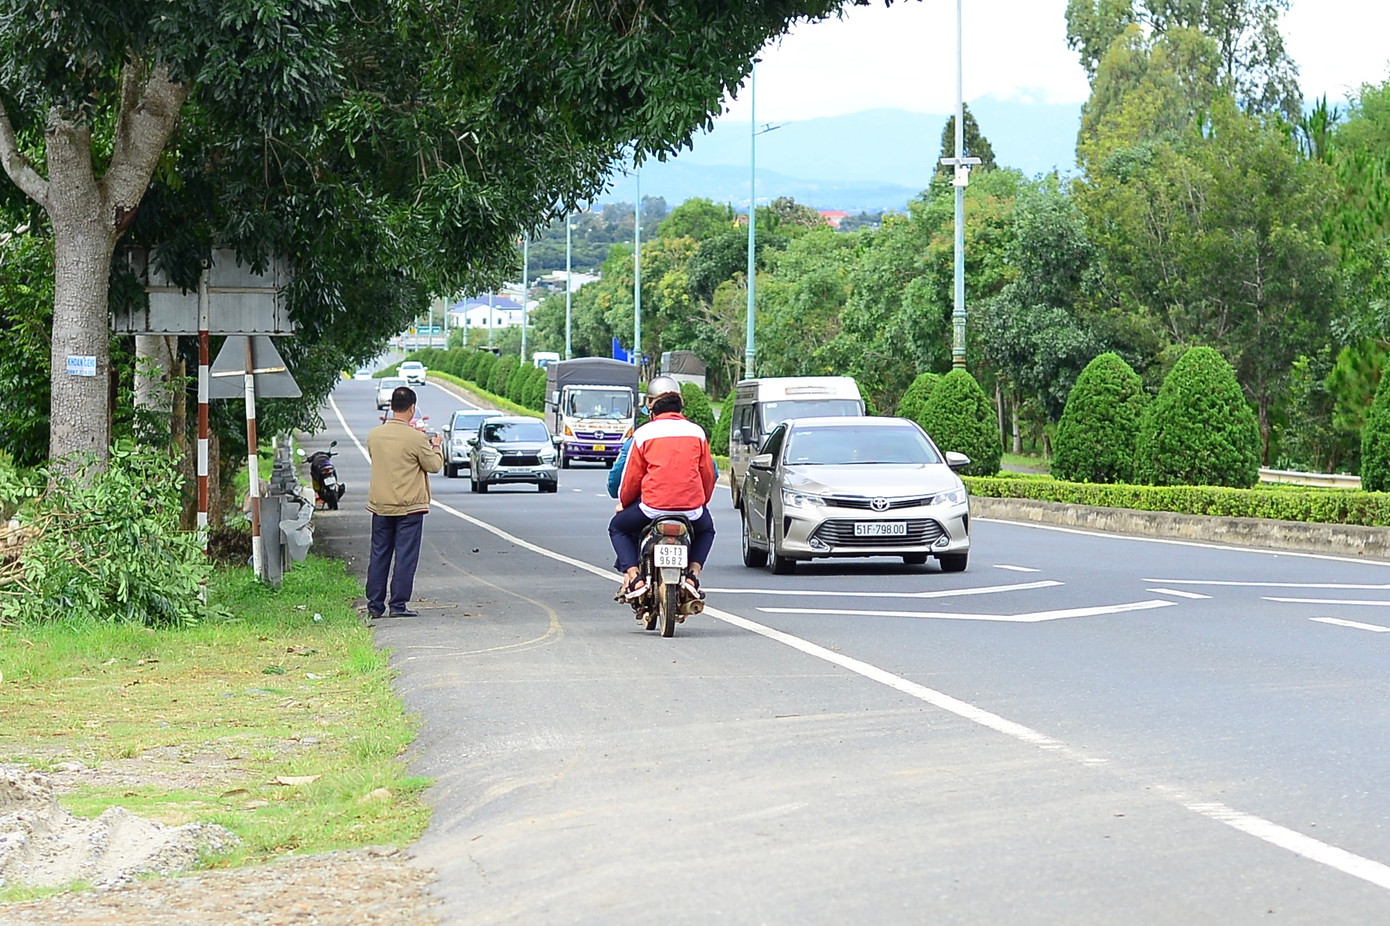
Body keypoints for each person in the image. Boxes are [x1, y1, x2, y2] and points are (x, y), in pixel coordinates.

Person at [609, 376, 716, 600]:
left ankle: (634, 577)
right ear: (680, 404)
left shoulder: (643, 434)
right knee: (707, 529)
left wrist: (624, 504)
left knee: (617, 527)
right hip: (691, 510)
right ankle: (692, 576)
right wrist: (701, 502)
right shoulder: (697, 432)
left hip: (652, 508)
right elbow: (708, 474)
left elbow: (630, 479)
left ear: (652, 408)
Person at [365, 385, 443, 618]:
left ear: (391, 407)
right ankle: (397, 605)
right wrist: (436, 446)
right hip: (410, 507)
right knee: (405, 556)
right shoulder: (416, 438)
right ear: (412, 408)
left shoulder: (374, 435)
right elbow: (434, 466)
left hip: (381, 505)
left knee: (379, 554)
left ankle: (374, 605)